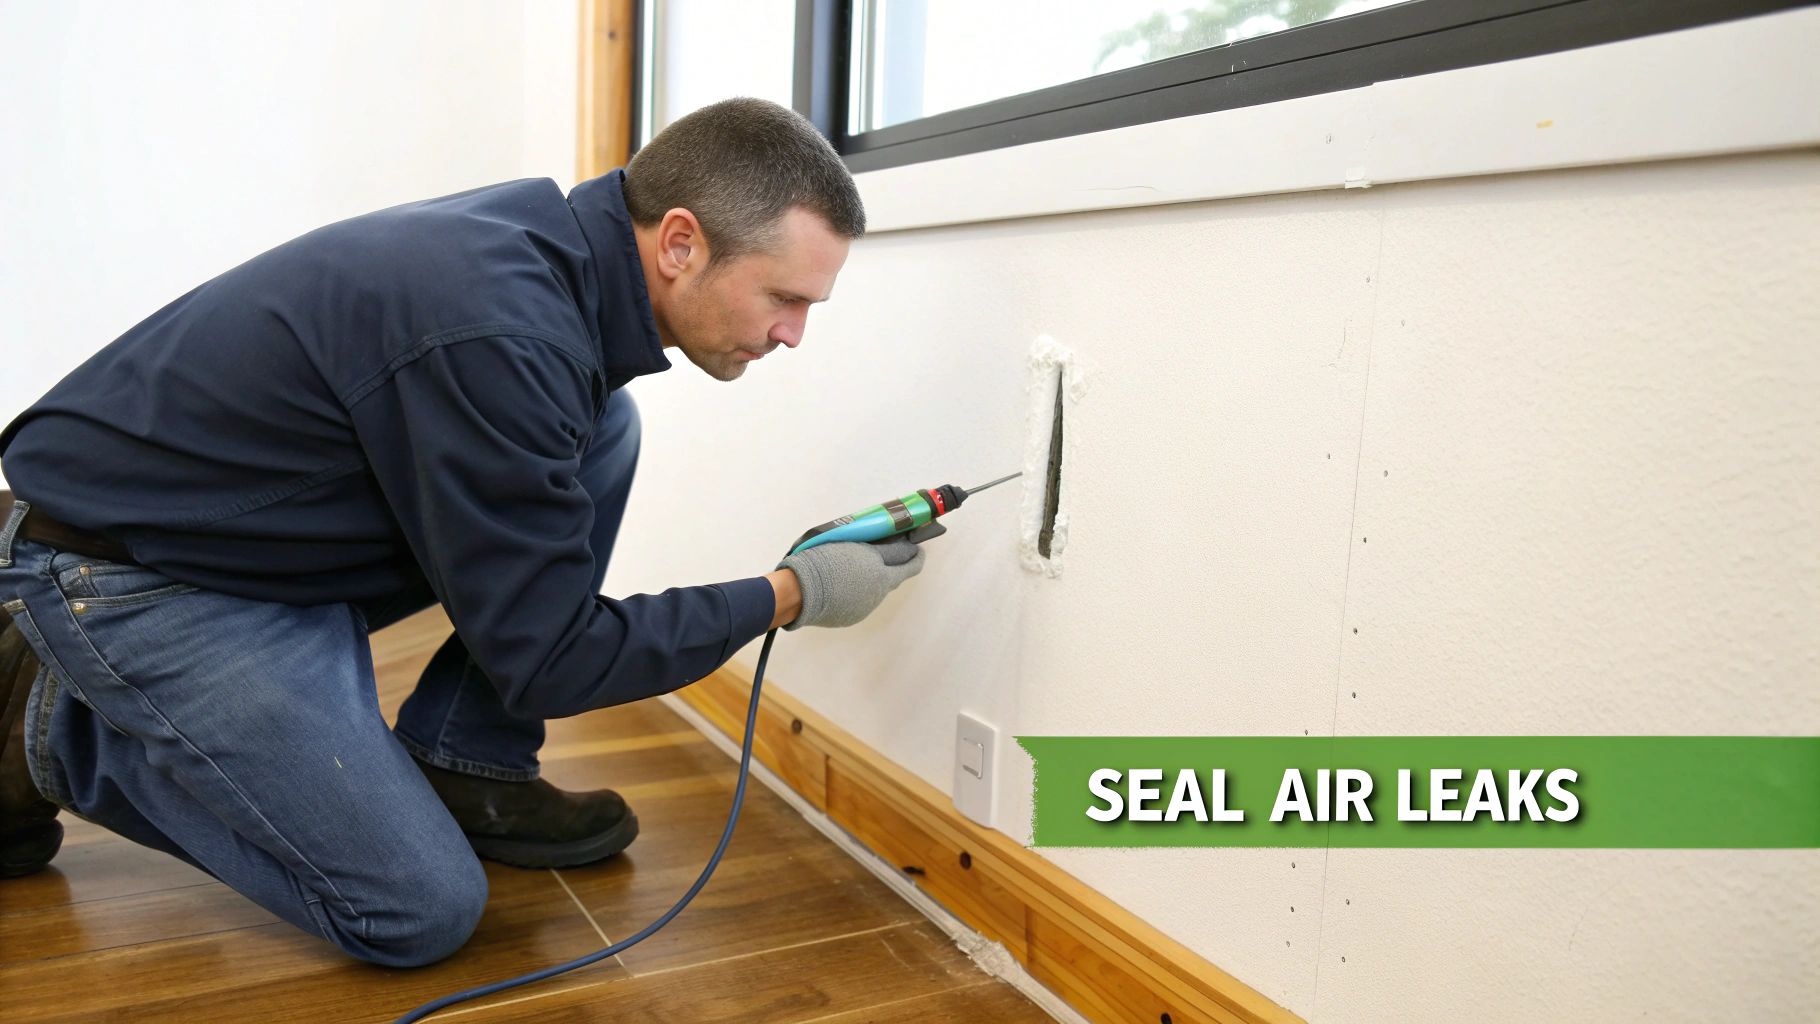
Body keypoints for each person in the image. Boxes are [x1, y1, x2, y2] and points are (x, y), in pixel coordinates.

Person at [0, 97, 935, 967]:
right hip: (125, 572)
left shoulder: (542, 254)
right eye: (786, 298)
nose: (793, 334)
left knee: (604, 426)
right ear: (682, 243)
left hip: (242, 538)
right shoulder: (502, 335)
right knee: (415, 911)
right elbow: (555, 658)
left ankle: (466, 758)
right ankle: (48, 725)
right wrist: (791, 593)